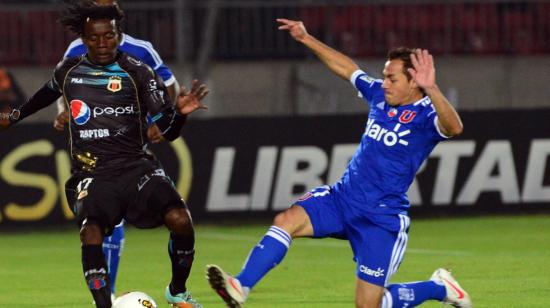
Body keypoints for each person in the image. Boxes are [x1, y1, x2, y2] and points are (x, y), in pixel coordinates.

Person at [206, 18, 472, 308]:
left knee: (368, 305)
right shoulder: (380, 97)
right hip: (342, 199)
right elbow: (348, 69)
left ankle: (439, 287)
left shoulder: (425, 115)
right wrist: (305, 38)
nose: (384, 84)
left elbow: (454, 127)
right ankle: (241, 285)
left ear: (414, 83)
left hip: (380, 218)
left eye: (392, 79)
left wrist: (432, 90)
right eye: (384, 76)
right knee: (287, 221)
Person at [0, 2, 208, 307]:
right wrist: (13, 115)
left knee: (180, 219)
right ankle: (104, 304)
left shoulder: (138, 71)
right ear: (84, 39)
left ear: (117, 34)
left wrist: (179, 113)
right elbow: (45, 94)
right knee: (92, 233)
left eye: (108, 37)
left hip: (136, 167)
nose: (102, 44)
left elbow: (169, 129)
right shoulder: (69, 69)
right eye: (94, 38)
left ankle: (177, 291)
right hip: (92, 173)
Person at [52, 0, 179, 297]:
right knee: (108, 218)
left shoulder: (142, 49)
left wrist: (158, 120)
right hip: (94, 147)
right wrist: (63, 111)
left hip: (132, 146)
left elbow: (170, 86)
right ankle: (108, 293)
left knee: (174, 215)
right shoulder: (75, 50)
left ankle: (176, 289)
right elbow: (64, 89)